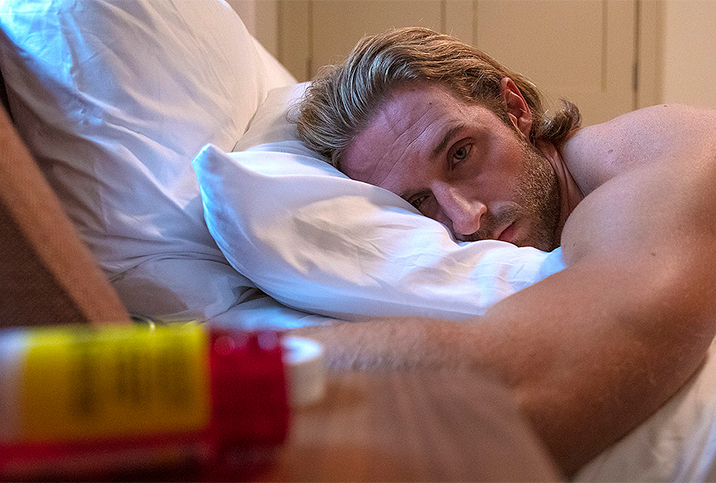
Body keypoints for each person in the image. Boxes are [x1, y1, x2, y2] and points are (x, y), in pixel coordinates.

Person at [292, 27, 716, 475]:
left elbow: (522, 390)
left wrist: (238, 357)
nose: (465, 218)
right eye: (419, 202)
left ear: (515, 110)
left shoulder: (650, 170)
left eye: (460, 154)